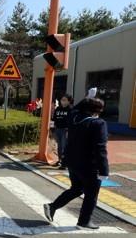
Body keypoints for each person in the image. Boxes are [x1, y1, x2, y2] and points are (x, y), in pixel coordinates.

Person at [44, 98, 109, 230]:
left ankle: (52, 206)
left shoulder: (74, 118)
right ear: (97, 111)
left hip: (72, 162)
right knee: (91, 194)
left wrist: (86, 98)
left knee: (77, 189)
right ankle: (84, 221)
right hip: (90, 165)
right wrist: (104, 170)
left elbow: (74, 109)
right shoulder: (98, 124)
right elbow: (100, 148)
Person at [52, 94, 74, 169]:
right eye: (62, 100)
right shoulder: (57, 109)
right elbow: (54, 119)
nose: (63, 102)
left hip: (66, 130)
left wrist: (69, 130)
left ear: (69, 101)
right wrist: (53, 129)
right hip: (58, 129)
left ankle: (65, 163)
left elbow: (72, 121)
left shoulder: (71, 110)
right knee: (59, 147)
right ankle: (60, 160)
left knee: (65, 146)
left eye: (65, 100)